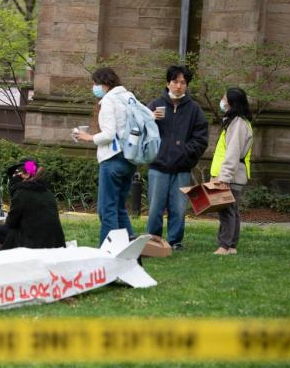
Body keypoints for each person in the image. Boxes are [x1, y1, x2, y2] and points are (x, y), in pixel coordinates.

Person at [75, 67, 149, 244]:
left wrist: (88, 137)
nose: (94, 87)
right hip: (129, 158)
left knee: (107, 210)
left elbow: (108, 134)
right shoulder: (128, 96)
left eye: (95, 83)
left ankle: (107, 250)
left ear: (104, 84)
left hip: (112, 158)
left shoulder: (108, 101)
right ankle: (128, 245)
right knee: (119, 207)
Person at [146, 65, 209, 250]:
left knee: (179, 208)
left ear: (187, 85)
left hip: (182, 168)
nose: (179, 86)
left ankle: (175, 241)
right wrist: (149, 118)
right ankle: (153, 241)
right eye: (175, 81)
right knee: (155, 208)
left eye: (183, 82)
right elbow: (139, 131)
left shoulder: (194, 109)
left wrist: (185, 154)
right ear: (168, 83)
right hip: (158, 166)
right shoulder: (154, 105)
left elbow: (201, 139)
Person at [210, 87, 253, 255]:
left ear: (232, 103)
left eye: (224, 98)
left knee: (226, 211)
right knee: (232, 211)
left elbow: (233, 152)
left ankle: (224, 246)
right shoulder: (237, 122)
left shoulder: (238, 124)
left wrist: (224, 177)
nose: (222, 100)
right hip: (233, 175)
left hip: (230, 176)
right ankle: (232, 246)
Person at [0, 159, 65, 249]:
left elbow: (11, 222)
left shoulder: (21, 193)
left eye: (17, 173)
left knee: (0, 231)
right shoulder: (48, 192)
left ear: (27, 174)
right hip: (56, 242)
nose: (14, 176)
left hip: (34, 244)